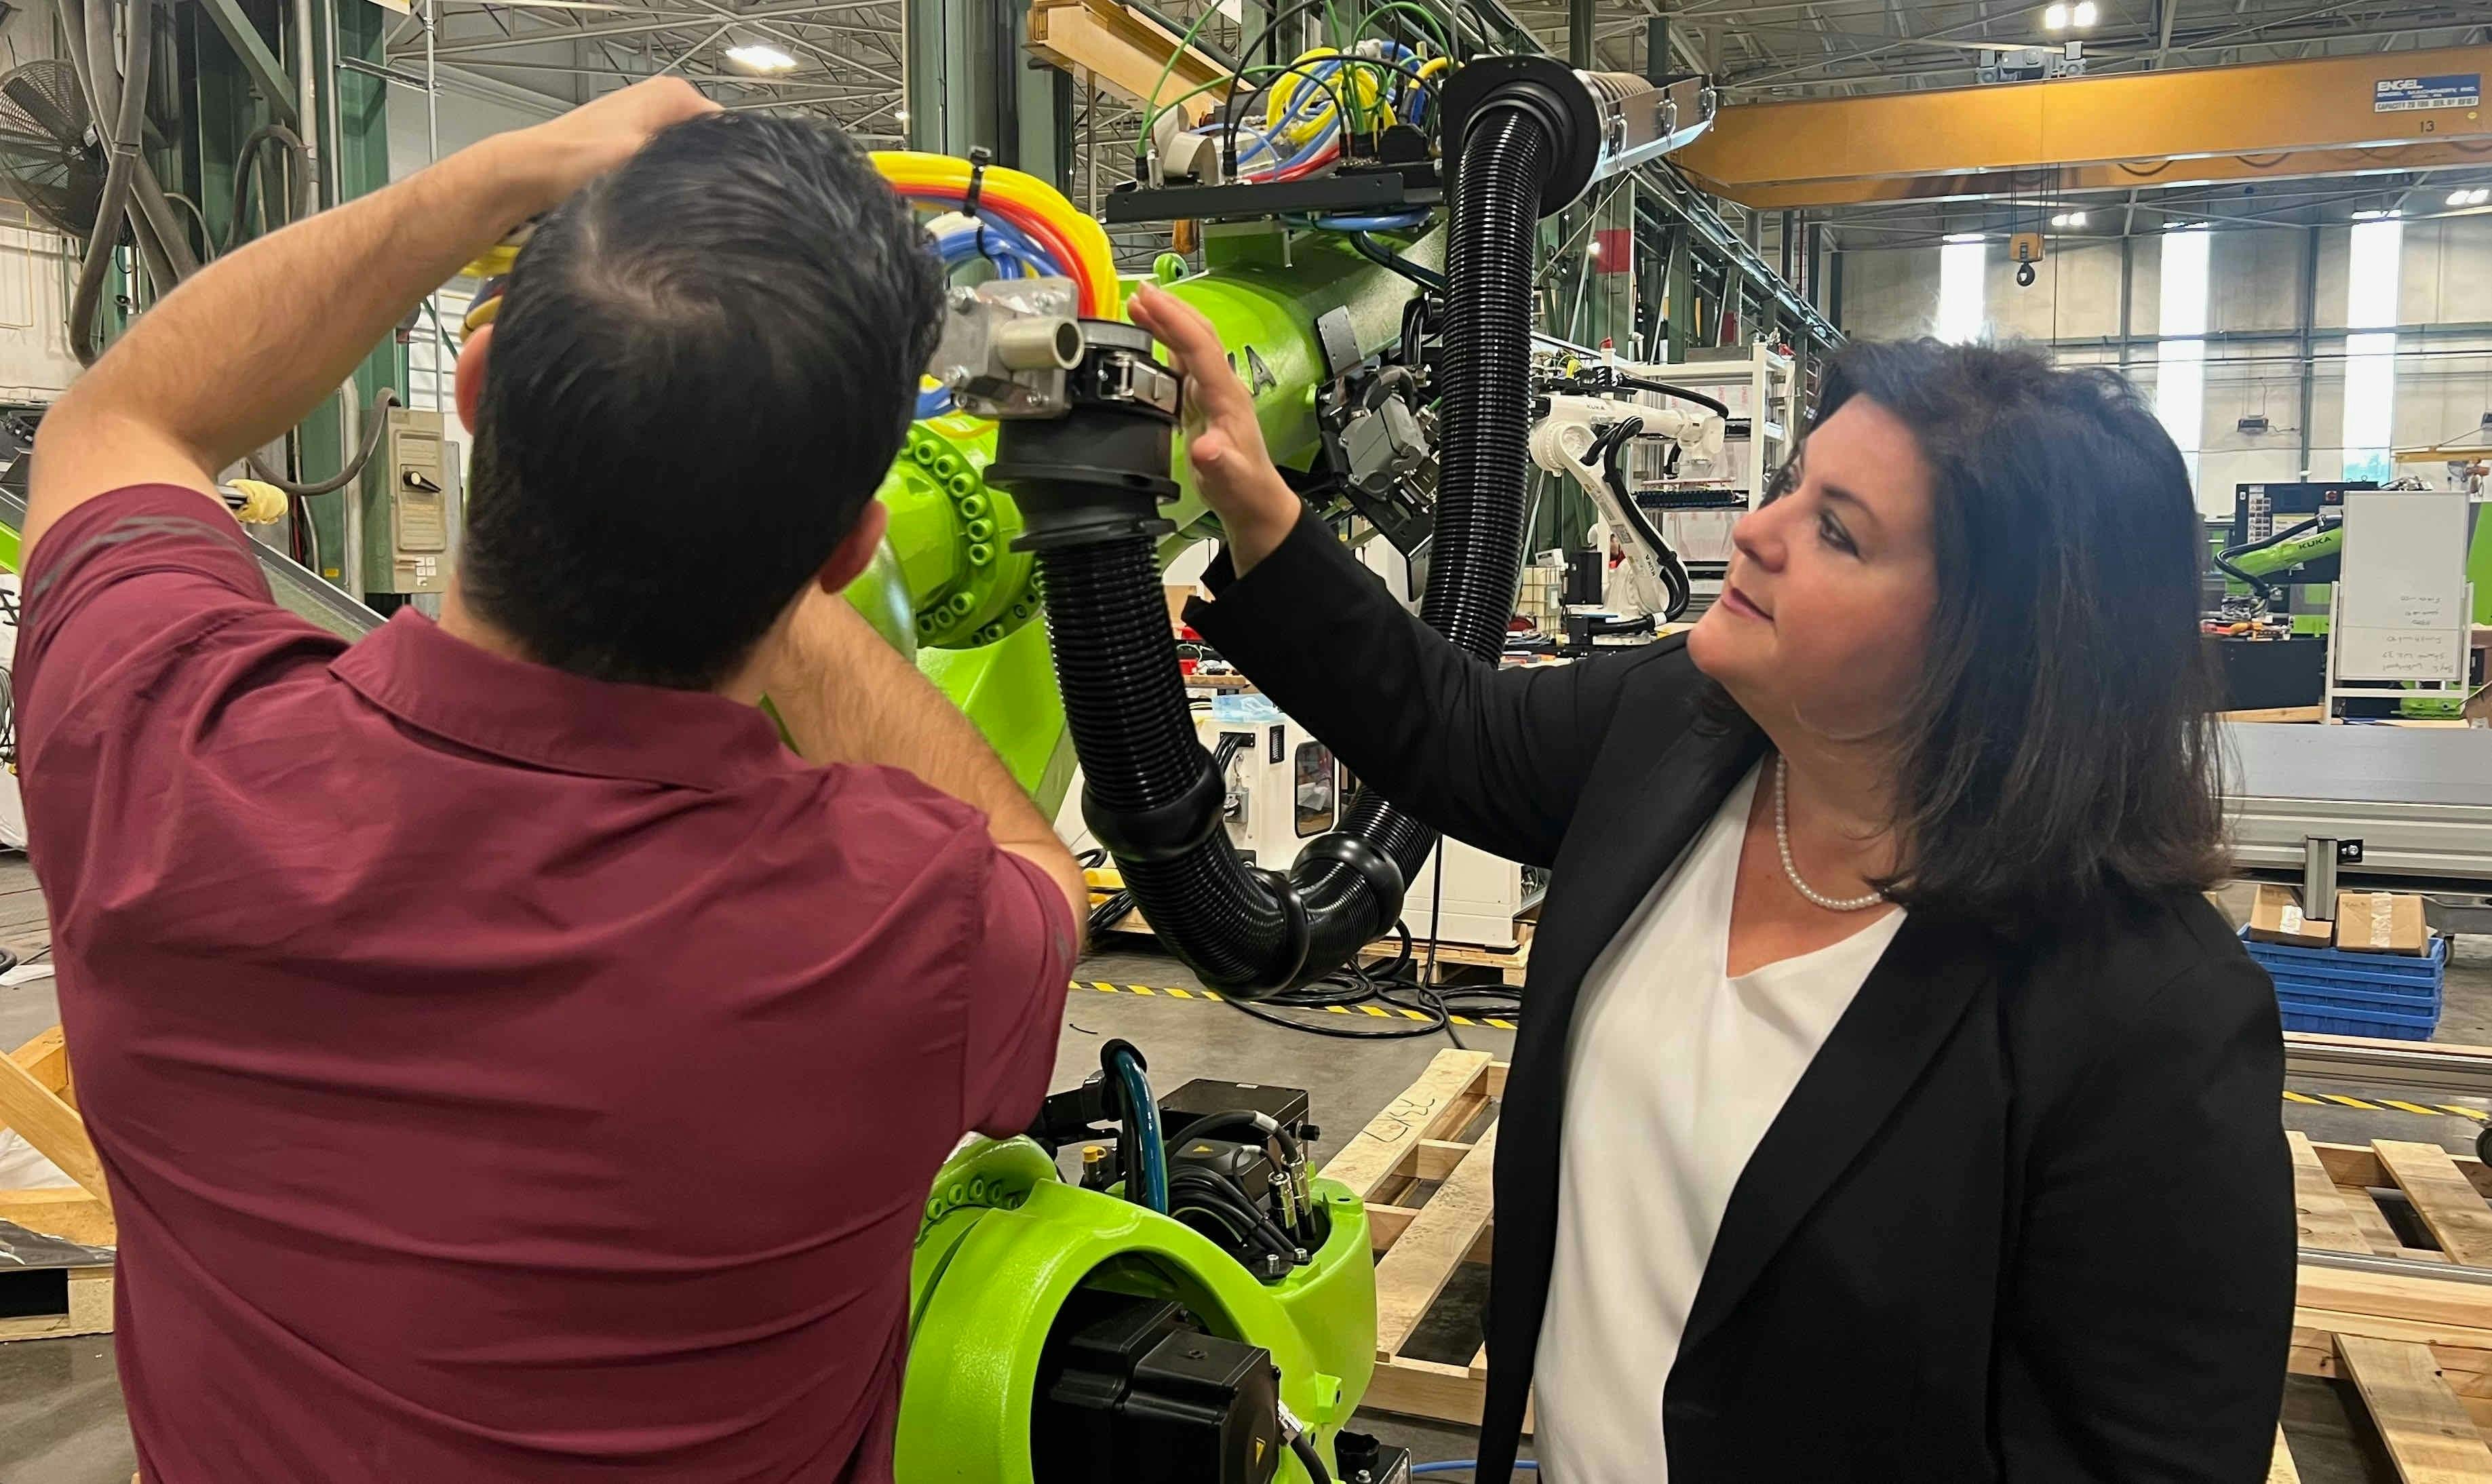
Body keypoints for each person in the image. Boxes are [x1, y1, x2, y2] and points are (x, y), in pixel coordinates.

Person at [16, 81, 1083, 1481]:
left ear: (472, 401)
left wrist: (480, 183)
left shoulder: (163, 753)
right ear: (847, 554)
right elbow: (1041, 878)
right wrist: (761, 533)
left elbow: (119, 420)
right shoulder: (912, 928)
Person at [1129, 285, 2293, 1483]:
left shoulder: (2144, 1017)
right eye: (1792, 481)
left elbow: (2146, 1455)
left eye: (1837, 531)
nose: (1755, 530)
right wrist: (1253, 497)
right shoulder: (1684, 731)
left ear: (2000, 651)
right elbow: (1452, 727)